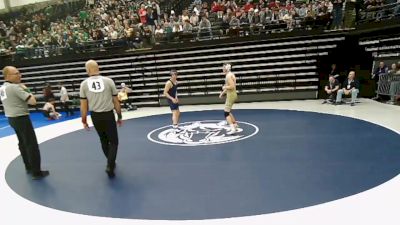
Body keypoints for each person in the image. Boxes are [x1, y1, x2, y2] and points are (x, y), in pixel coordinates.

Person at [0, 66, 49, 179]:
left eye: (19, 73)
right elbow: (33, 101)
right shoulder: (15, 88)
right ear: (7, 76)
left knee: (22, 143)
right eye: (16, 73)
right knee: (31, 145)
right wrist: (26, 89)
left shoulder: (2, 88)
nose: (19, 75)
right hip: (21, 118)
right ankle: (36, 172)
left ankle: (28, 167)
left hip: (11, 118)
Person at [80, 60, 122, 178]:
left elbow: (83, 105)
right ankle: (110, 164)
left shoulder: (84, 84)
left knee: (103, 140)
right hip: (108, 115)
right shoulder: (109, 81)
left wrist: (84, 120)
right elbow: (116, 101)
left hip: (95, 116)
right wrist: (119, 116)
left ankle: (110, 162)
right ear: (98, 68)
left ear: (87, 70)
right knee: (114, 141)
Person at [219, 63, 238, 134]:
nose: (222, 69)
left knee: (226, 113)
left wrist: (224, 87)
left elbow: (232, 86)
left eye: (223, 68)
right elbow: (230, 86)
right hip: (232, 94)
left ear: (226, 68)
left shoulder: (228, 76)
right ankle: (235, 124)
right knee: (228, 111)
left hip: (231, 95)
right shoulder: (230, 74)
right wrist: (222, 93)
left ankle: (232, 128)